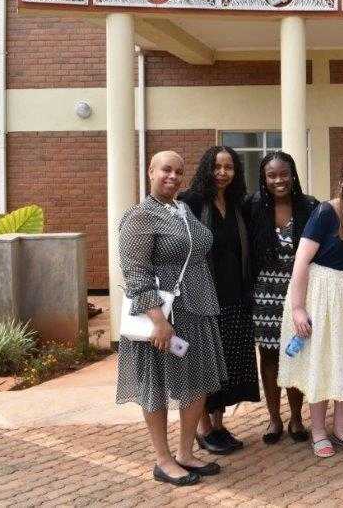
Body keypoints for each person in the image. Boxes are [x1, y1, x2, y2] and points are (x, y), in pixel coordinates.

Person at [115, 151, 227, 486]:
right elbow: (135, 273)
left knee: (197, 382)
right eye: (166, 170)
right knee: (159, 386)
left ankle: (185, 453)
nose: (173, 177)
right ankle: (163, 460)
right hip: (165, 315)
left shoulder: (182, 209)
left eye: (179, 171)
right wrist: (158, 321)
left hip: (198, 309)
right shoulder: (139, 216)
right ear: (151, 171)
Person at [278, 157, 343, 458]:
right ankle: (319, 430)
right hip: (316, 291)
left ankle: (341, 428)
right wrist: (298, 308)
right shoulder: (326, 211)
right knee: (319, 360)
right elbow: (301, 260)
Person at [179, 146, 260, 455]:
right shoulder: (191, 203)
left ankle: (218, 423)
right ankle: (202, 428)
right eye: (217, 166)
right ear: (206, 169)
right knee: (203, 365)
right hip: (202, 299)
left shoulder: (239, 204)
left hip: (235, 297)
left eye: (229, 167)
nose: (222, 173)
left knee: (227, 366)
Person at [245, 151, 318, 445]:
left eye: (284, 174)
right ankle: (274, 418)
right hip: (265, 294)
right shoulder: (252, 207)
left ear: (293, 175)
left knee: (296, 350)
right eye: (272, 175)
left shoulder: (310, 206)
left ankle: (297, 417)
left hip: (299, 290)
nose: (279, 180)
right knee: (270, 355)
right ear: (264, 178)